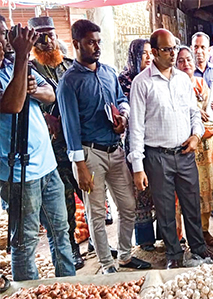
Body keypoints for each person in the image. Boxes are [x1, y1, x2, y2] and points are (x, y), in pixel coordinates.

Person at [58, 19, 151, 274]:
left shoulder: (109, 72)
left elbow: (121, 99)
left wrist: (122, 116)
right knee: (97, 212)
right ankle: (106, 264)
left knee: (129, 205)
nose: (96, 47)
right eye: (90, 42)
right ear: (76, 44)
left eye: (98, 42)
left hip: (115, 149)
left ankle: (123, 255)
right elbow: (70, 127)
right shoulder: (69, 82)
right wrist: (80, 166)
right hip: (89, 154)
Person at [129, 29, 213, 269]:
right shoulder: (142, 83)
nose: (172, 53)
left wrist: (196, 136)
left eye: (174, 48)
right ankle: (174, 255)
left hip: (185, 153)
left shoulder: (182, 79)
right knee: (166, 209)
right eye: (166, 49)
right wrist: (138, 167)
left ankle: (199, 252)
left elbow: (194, 114)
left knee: (192, 205)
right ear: (154, 52)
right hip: (157, 156)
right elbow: (136, 127)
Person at [0, 19, 75, 281]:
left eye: (3, 34)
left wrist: (32, 89)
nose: (3, 41)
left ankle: (68, 285)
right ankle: (29, 291)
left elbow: (50, 93)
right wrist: (22, 56)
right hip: (20, 172)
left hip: (47, 163)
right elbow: (11, 104)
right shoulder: (19, 61)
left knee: (60, 231)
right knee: (25, 241)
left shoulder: (14, 65)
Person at [27, 16, 83, 270]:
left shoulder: (69, 65)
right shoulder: (28, 69)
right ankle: (72, 247)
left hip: (78, 140)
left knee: (90, 193)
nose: (48, 41)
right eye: (41, 36)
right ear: (32, 38)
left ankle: (96, 240)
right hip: (52, 147)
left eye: (50, 34)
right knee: (65, 198)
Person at [176, 45, 213, 247]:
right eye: (181, 60)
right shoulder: (175, 86)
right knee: (188, 191)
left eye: (189, 60)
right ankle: (182, 234)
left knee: (207, 188)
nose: (186, 64)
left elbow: (210, 111)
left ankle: (204, 231)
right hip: (188, 145)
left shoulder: (201, 83)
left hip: (208, 145)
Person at [118, 38, 156, 252]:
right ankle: (144, 238)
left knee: (157, 189)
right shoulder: (124, 80)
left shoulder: (154, 78)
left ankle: (163, 235)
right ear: (134, 56)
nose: (149, 57)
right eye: (144, 53)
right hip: (134, 141)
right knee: (139, 191)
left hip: (155, 140)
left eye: (151, 52)